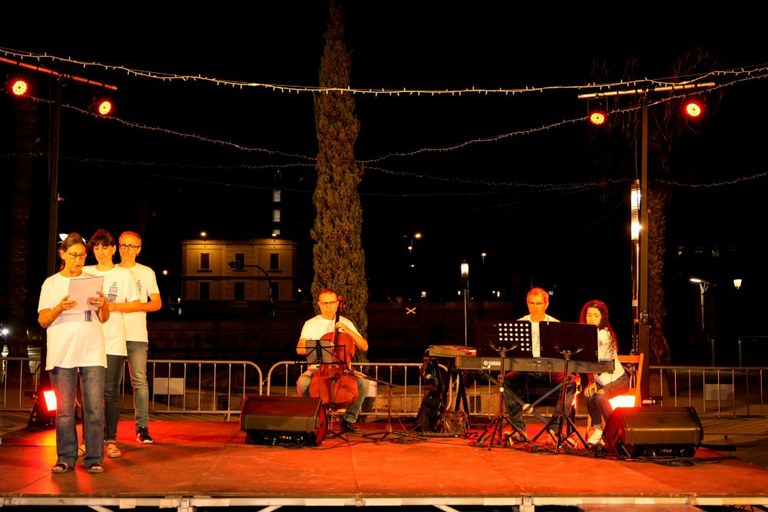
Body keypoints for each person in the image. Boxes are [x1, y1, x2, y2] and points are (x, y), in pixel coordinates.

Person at [37, 233, 109, 474]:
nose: (78, 260)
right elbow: (43, 321)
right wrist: (60, 307)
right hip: (62, 351)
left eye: (82, 255)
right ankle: (66, 457)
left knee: (94, 408)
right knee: (65, 410)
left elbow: (105, 318)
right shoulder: (52, 283)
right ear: (63, 254)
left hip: (92, 349)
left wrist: (103, 305)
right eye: (73, 255)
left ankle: (94, 457)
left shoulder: (94, 280)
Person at [84, 229, 140, 458]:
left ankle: (110, 439)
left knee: (110, 393)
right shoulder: (86, 272)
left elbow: (135, 304)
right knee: (89, 394)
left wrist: (110, 306)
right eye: (96, 248)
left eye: (104, 247)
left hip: (114, 340)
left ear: (113, 249)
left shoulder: (123, 275)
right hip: (87, 340)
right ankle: (88, 440)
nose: (100, 252)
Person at [502, 286, 576, 439]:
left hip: (550, 368)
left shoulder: (556, 324)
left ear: (546, 304)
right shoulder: (519, 324)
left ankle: (554, 430)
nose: (535, 307)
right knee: (505, 381)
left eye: (539, 303)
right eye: (532, 303)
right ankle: (519, 428)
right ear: (527, 304)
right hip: (526, 369)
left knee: (570, 382)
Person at [295, 289, 369, 434]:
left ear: (337, 304)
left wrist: (348, 330)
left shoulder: (346, 322)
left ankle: (348, 421)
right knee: (302, 382)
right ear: (319, 304)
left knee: (364, 384)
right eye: (325, 303)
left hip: (343, 371)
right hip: (318, 369)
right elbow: (299, 349)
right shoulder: (310, 324)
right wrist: (323, 347)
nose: (329, 306)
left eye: (332, 303)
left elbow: (364, 346)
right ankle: (311, 418)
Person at [118, 231, 162, 444]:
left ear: (139, 249)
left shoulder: (146, 273)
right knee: (110, 384)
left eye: (131, 246)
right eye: (123, 245)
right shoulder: (111, 271)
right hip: (113, 335)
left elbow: (156, 303)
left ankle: (142, 427)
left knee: (139, 382)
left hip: (136, 334)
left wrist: (133, 307)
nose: (126, 249)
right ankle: (108, 430)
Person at [579, 299, 629, 446]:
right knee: (589, 395)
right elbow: (587, 363)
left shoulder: (604, 334)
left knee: (600, 398)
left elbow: (597, 360)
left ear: (602, 318)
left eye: (595, 315)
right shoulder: (587, 334)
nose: (592, 318)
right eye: (589, 315)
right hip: (601, 382)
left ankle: (612, 432)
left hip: (619, 380)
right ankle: (599, 429)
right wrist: (591, 382)